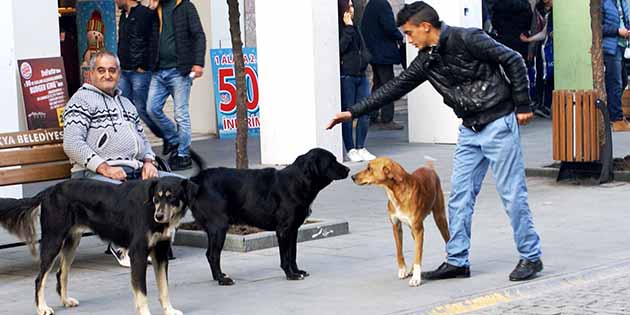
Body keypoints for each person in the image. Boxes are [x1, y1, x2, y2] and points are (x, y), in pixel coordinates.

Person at [327, 1, 543, 282]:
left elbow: (513, 59)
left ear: (425, 27)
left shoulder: (469, 38)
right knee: (459, 197)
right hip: (469, 129)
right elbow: (396, 86)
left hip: (498, 123)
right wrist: (353, 111)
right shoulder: (427, 60)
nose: (409, 40)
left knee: (512, 194)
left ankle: (530, 256)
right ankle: (457, 260)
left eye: (409, 33)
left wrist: (523, 104)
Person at [62, 51, 176, 267]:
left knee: (177, 185)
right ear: (91, 74)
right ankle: (125, 246)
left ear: (119, 73)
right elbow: (72, 144)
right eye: (101, 70)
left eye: (112, 70)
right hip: (92, 174)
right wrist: (104, 167)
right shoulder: (81, 101)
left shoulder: (126, 103)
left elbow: (142, 138)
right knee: (125, 194)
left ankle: (157, 242)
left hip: (133, 168)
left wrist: (149, 161)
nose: (107, 75)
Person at [147, 0, 206, 170]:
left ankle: (183, 155)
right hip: (158, 71)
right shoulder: (155, 9)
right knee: (151, 108)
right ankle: (174, 140)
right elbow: (147, 36)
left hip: (179, 71)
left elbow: (198, 35)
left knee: (181, 115)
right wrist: (150, 10)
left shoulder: (185, 6)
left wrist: (198, 62)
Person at [116, 0, 164, 144]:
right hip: (124, 71)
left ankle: (167, 136)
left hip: (139, 72)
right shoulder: (123, 16)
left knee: (141, 109)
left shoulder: (145, 14)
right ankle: (131, 142)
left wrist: (144, 65)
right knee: (124, 109)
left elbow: (154, 42)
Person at [338, 0, 376, 162]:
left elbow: (363, 47)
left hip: (361, 74)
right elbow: (340, 48)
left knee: (365, 111)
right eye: (350, 6)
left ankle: (361, 146)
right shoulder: (342, 28)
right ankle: (350, 148)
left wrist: (367, 58)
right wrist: (348, 28)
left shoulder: (355, 26)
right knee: (348, 113)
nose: (352, 9)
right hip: (347, 75)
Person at [361, 0, 405, 130]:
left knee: (378, 84)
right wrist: (400, 36)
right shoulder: (382, 4)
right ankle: (387, 118)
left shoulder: (371, 4)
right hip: (384, 52)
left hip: (374, 52)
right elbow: (389, 27)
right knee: (389, 85)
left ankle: (373, 116)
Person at [521, 0, 553, 119]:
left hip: (552, 49)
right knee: (542, 75)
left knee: (549, 77)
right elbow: (540, 31)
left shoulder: (556, 12)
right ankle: (542, 104)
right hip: (544, 48)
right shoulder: (539, 9)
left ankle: (545, 104)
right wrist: (530, 45)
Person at [603, 0, 630, 131]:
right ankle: (616, 119)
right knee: (615, 83)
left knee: (623, 81)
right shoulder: (603, 2)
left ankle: (611, 114)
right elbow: (598, 27)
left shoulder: (623, 2)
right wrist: (617, 30)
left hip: (622, 46)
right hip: (610, 48)